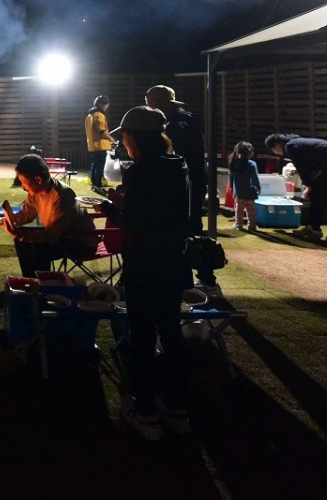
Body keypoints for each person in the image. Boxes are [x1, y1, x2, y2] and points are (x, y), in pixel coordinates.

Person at [112, 105, 192, 440]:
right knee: (171, 334)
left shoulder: (140, 172)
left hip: (145, 264)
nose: (123, 142)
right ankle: (175, 407)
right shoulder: (179, 166)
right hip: (174, 261)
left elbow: (136, 224)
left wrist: (115, 207)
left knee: (142, 337)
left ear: (137, 137)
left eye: (125, 135)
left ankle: (145, 412)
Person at [144, 84, 216, 295]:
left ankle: (206, 277)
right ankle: (183, 275)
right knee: (178, 228)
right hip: (178, 180)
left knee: (192, 227)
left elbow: (176, 140)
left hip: (190, 181)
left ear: (159, 103)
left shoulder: (181, 120)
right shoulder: (171, 120)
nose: (148, 106)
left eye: (150, 102)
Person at [0, 154, 96, 277]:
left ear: (38, 179)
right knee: (22, 241)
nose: (23, 187)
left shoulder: (62, 196)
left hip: (80, 241)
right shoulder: (36, 192)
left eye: (23, 181)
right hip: (59, 235)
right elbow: (26, 214)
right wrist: (2, 220)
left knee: (37, 249)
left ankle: (41, 286)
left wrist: (19, 233)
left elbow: (51, 237)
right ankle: (31, 281)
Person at [264, 133, 327, 246]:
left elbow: (303, 169)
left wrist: (308, 187)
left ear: (277, 144)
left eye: (274, 150)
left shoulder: (290, 146)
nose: (276, 153)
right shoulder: (299, 142)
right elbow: (312, 162)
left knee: (318, 196)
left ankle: (314, 229)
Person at [228, 141, 261, 232]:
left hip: (239, 191)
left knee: (239, 208)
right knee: (251, 209)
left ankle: (238, 224)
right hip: (250, 190)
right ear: (249, 152)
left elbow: (231, 177)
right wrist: (258, 187)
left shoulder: (233, 163)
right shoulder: (251, 164)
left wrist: (231, 187)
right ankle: (252, 225)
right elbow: (254, 178)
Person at [85, 95, 115, 190]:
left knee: (95, 165)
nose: (106, 107)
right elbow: (101, 131)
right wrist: (111, 139)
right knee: (99, 166)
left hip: (92, 145)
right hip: (100, 145)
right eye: (106, 105)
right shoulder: (99, 115)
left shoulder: (90, 115)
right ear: (102, 104)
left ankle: (94, 185)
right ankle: (98, 185)